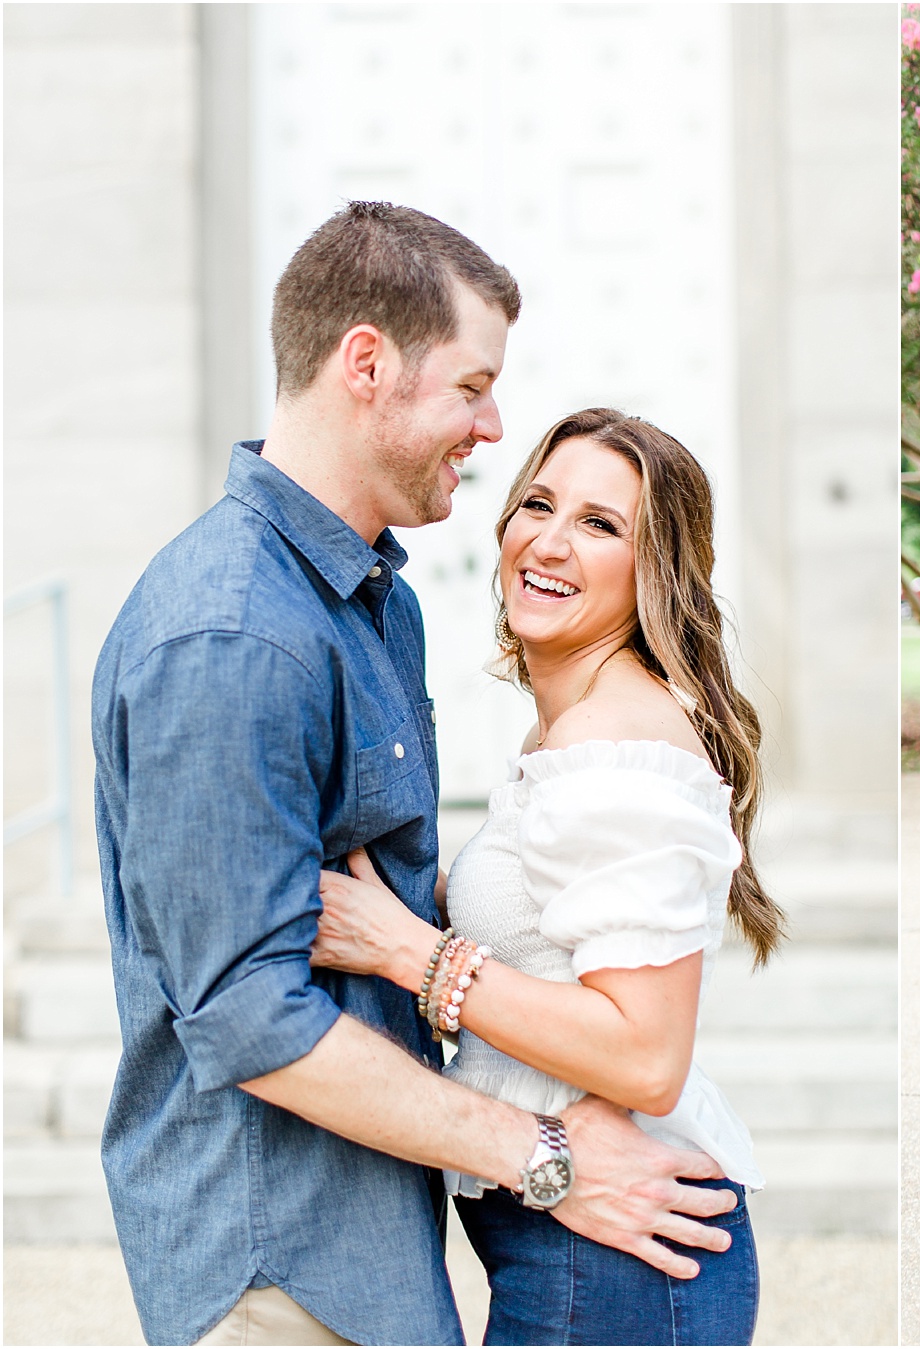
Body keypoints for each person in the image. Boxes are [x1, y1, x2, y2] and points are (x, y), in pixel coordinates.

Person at [92, 204, 736, 1348]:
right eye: (473, 386)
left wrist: (416, 946)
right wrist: (544, 1158)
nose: (493, 427)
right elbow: (248, 1013)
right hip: (277, 1270)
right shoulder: (236, 635)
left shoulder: (370, 609)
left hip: (382, 1258)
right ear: (367, 364)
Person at [310, 408, 782, 1344]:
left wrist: (415, 954)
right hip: (578, 1253)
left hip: (622, 1266)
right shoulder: (572, 730)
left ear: (657, 571)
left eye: (601, 524)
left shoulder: (614, 746)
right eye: (538, 503)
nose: (549, 541)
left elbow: (646, 1055)